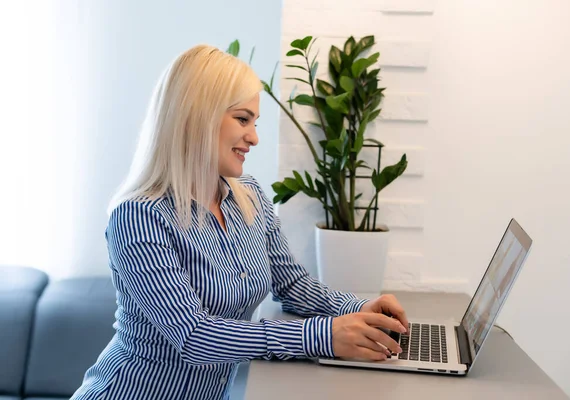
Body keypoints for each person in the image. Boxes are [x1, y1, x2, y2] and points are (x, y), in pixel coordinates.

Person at [71, 44, 409, 400]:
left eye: (255, 122)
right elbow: (194, 336)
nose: (254, 137)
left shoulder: (248, 196)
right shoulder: (138, 217)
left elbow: (292, 284)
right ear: (198, 116)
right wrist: (324, 336)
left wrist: (357, 309)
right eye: (242, 119)